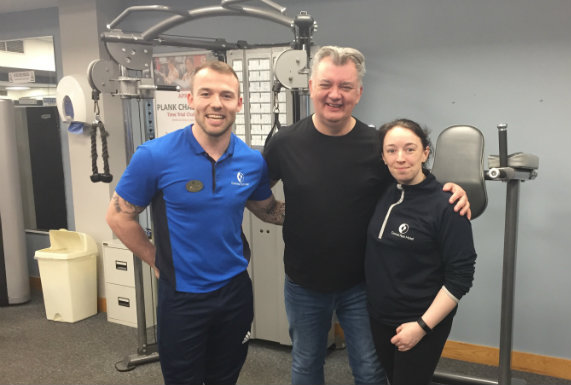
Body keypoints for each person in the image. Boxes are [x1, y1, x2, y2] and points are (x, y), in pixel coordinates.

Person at [263, 46, 470, 385]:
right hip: (304, 281)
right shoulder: (284, 142)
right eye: (326, 84)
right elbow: (259, 189)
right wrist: (280, 213)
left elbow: (413, 182)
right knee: (304, 364)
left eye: (345, 87)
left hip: (363, 283)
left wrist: (451, 190)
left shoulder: (376, 145)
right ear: (312, 86)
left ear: (358, 93)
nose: (335, 94)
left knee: (370, 370)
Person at [105, 60, 285, 384]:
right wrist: (154, 259)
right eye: (206, 93)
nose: (217, 103)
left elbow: (268, 209)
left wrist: (327, 210)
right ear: (191, 100)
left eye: (227, 95)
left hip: (235, 291)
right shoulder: (155, 155)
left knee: (225, 376)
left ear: (238, 104)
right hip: (182, 297)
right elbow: (119, 216)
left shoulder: (251, 160)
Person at [365, 118, 477, 385]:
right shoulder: (383, 192)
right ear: (383, 156)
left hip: (420, 320)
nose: (400, 158)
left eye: (410, 148)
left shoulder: (448, 204)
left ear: (426, 152)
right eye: (391, 150)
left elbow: (461, 277)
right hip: (380, 317)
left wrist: (422, 327)